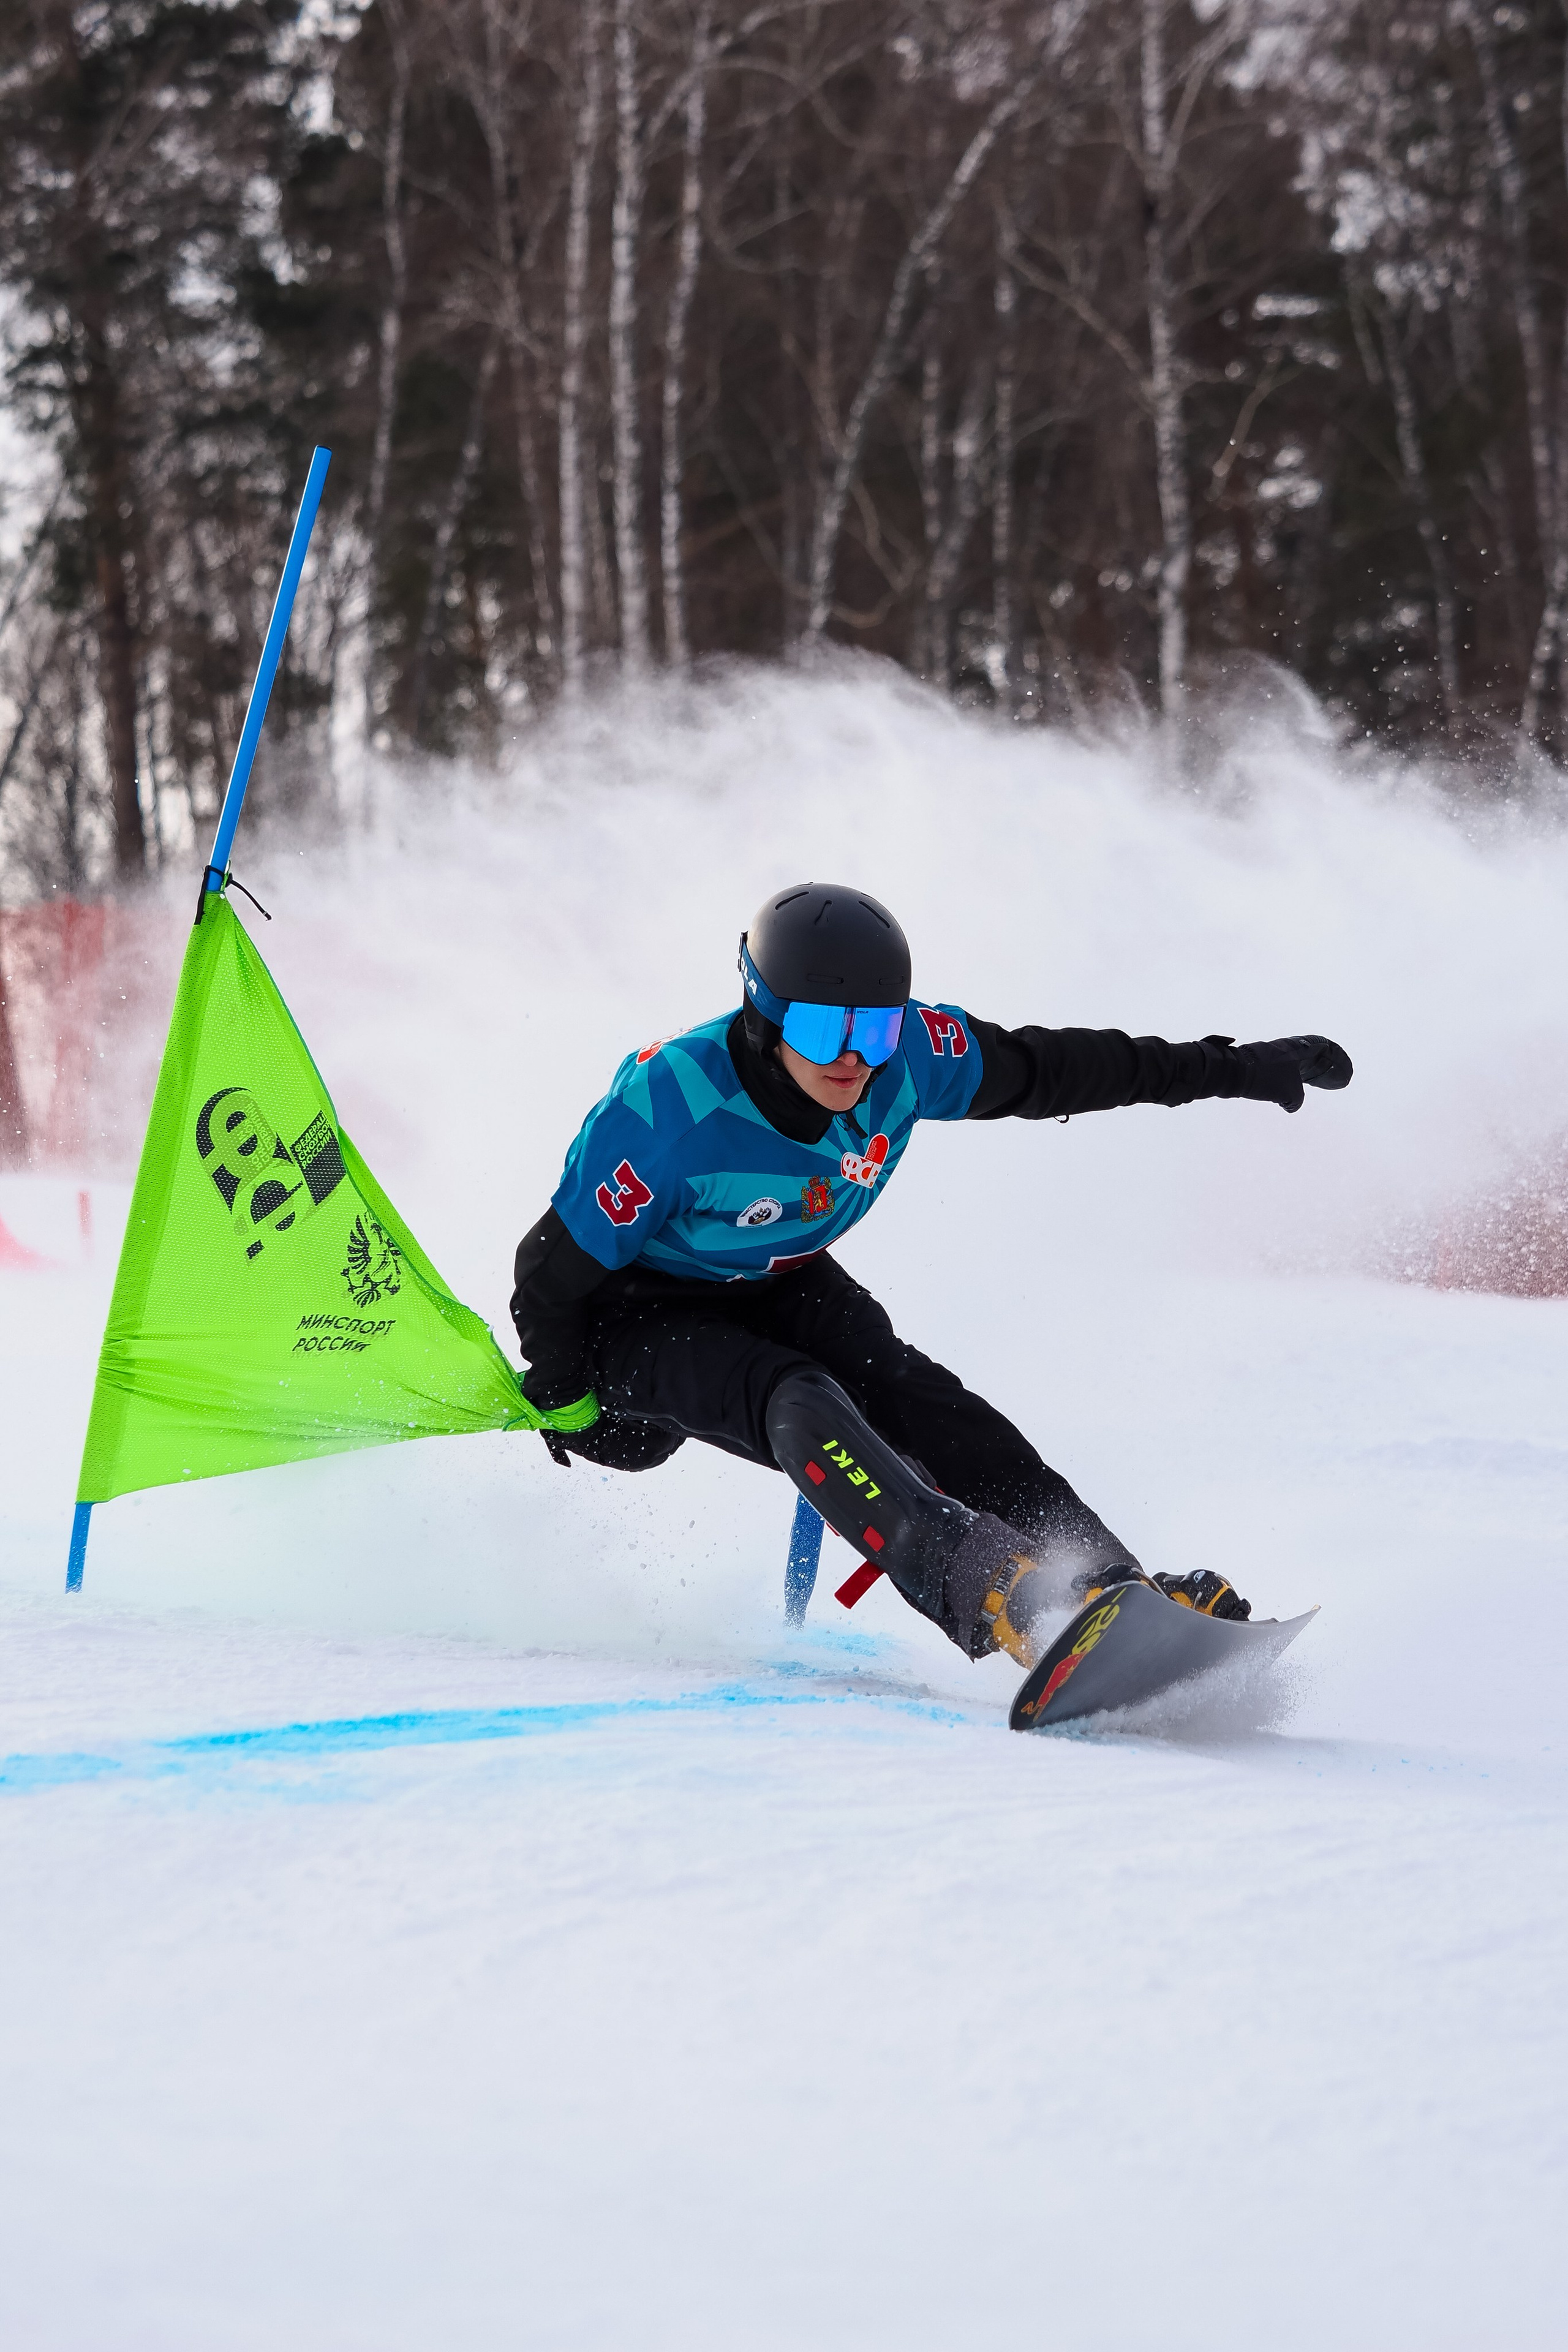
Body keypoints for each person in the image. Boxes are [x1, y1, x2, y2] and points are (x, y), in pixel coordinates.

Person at [510, 883, 1352, 1672]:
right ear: (764, 1019)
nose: (851, 1060)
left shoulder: (912, 1055)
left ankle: (1103, 1586)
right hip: (631, 1314)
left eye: (872, 1030)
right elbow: (547, 1274)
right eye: (819, 1031)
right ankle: (995, 1593)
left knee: (919, 1399)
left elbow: (1056, 1068)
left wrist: (1233, 1068)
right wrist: (570, 1403)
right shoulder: (670, 1110)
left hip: (778, 1277)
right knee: (797, 1394)